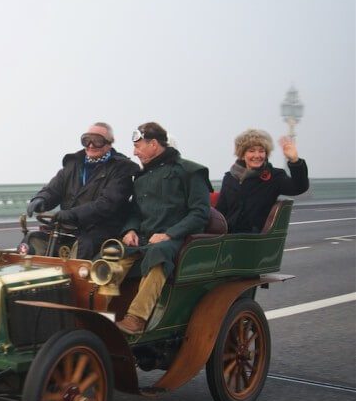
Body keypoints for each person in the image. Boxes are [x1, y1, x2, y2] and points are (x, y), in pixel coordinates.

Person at [114, 122, 212, 335]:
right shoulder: (141, 177)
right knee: (110, 254)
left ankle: (136, 319)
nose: (134, 152)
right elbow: (135, 212)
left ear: (154, 144)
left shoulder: (190, 171)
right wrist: (129, 230)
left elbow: (200, 213)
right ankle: (100, 314)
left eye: (139, 146)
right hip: (143, 238)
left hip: (178, 239)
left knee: (159, 253)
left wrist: (169, 234)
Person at [23, 122, 137, 259]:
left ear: (109, 143)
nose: (90, 145)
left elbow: (107, 204)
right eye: (86, 140)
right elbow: (53, 188)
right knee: (32, 242)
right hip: (66, 227)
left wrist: (73, 214)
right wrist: (41, 199)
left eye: (97, 141)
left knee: (82, 248)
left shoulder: (121, 168)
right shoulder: (74, 164)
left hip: (100, 229)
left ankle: (76, 280)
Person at [216, 129, 309, 233]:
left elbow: (299, 187)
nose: (257, 155)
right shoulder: (230, 177)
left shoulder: (274, 176)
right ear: (242, 154)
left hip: (255, 238)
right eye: (251, 151)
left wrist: (295, 161)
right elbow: (221, 210)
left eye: (261, 151)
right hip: (229, 236)